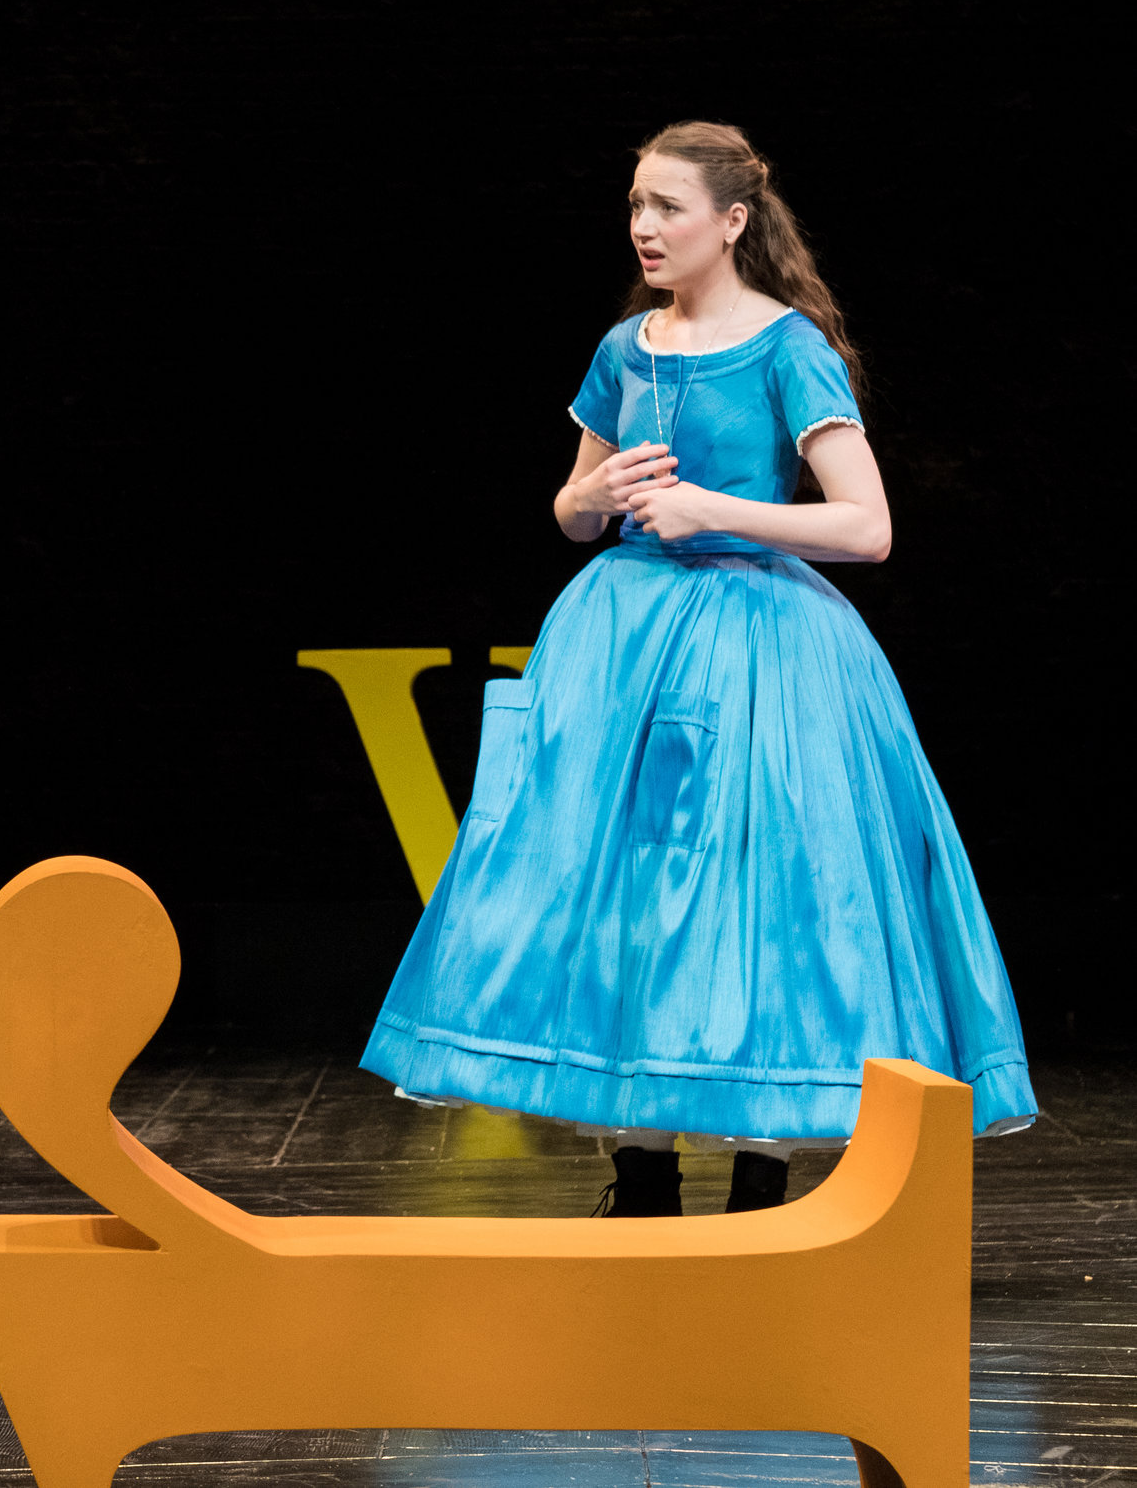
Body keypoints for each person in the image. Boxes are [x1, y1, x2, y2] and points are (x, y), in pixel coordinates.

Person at [360, 120, 1035, 1216]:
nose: (643, 226)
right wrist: (598, 491)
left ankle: (761, 1176)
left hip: (761, 647)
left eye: (667, 206)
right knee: (619, 892)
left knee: (755, 895)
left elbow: (866, 527)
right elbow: (573, 511)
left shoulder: (787, 347)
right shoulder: (626, 347)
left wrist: (705, 508)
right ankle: (639, 1172)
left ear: (730, 221)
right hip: (621, 645)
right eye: (634, 205)